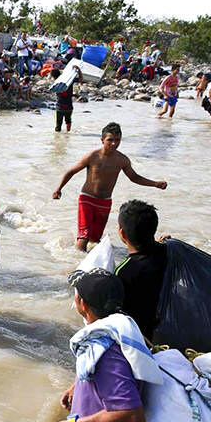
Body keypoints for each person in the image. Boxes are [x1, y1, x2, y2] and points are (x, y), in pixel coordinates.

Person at [48, 268, 155, 422]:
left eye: (76, 294)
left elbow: (131, 415)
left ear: (82, 303)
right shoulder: (119, 329)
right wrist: (77, 385)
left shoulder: (108, 355)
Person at [52, 122, 168, 251]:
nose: (114, 143)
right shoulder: (93, 156)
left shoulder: (122, 160)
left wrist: (155, 184)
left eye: (117, 140)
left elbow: (134, 177)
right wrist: (59, 189)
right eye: (110, 140)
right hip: (87, 199)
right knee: (84, 236)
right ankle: (76, 264)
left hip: (105, 202)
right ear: (102, 140)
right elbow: (71, 171)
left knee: (95, 239)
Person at [114, 200, 167, 343]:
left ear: (122, 233)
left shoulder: (123, 271)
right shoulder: (169, 252)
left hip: (142, 336)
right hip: (167, 323)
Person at [51, 66, 82, 133]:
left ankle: (57, 139)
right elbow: (80, 79)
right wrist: (79, 70)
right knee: (68, 120)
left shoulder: (55, 83)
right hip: (68, 106)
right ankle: (68, 134)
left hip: (60, 106)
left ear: (53, 76)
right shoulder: (69, 81)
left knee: (58, 125)